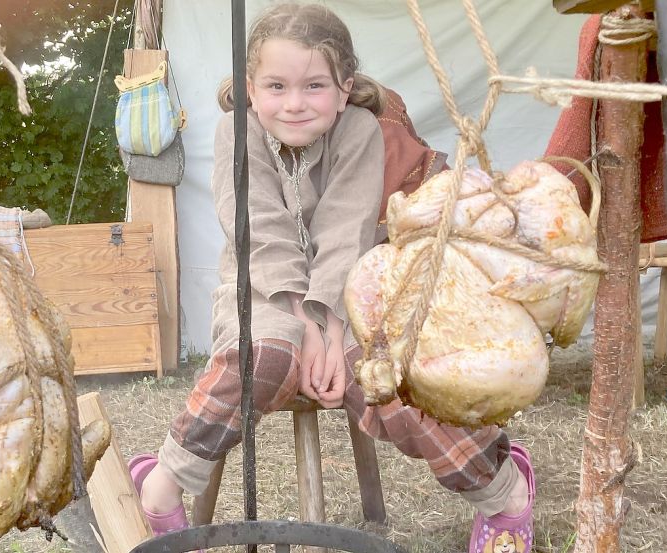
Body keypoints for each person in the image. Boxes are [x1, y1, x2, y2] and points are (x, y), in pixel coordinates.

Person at [128, 4, 536, 552]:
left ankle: (504, 494)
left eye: (315, 86)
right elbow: (259, 229)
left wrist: (333, 327)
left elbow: (348, 231)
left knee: (386, 382)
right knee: (264, 356)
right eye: (276, 86)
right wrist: (304, 324)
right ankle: (162, 482)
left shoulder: (361, 130)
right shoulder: (236, 129)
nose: (294, 103)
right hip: (259, 293)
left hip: (354, 300)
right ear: (251, 88)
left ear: (344, 89)